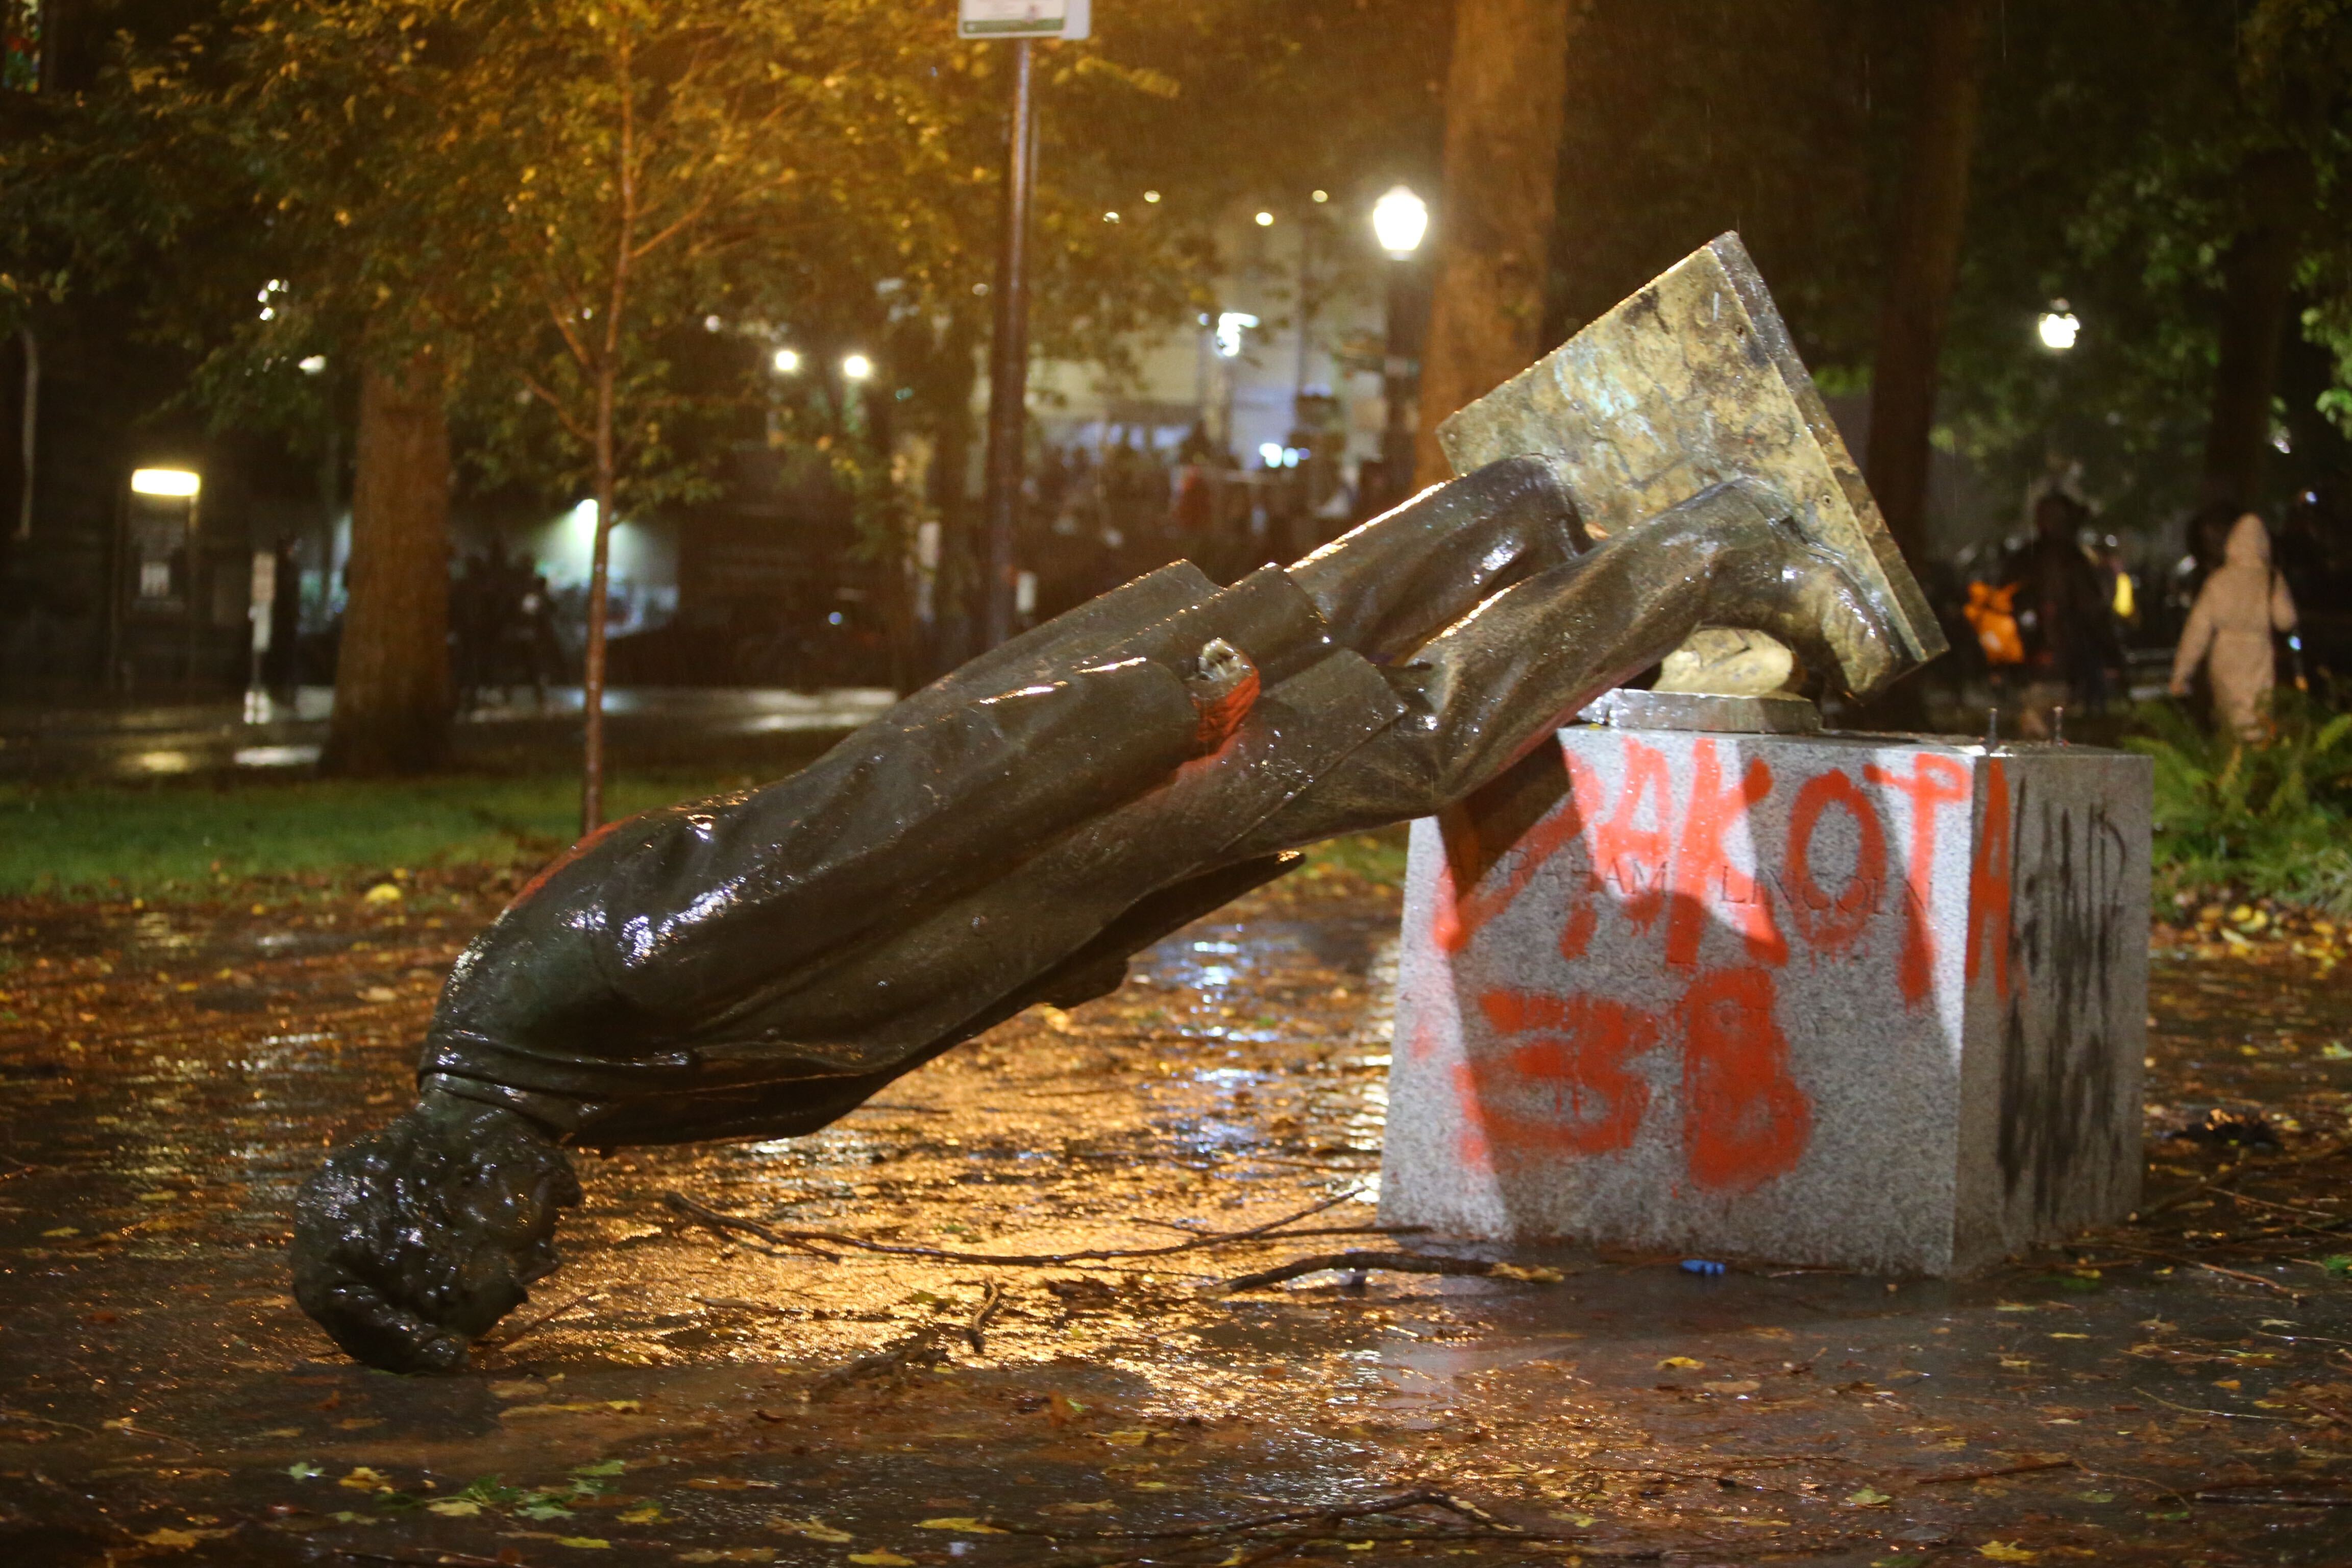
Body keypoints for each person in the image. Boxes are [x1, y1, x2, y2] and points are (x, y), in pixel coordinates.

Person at [291, 458, 1909, 1374]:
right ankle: (1517, 517)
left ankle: (1705, 547)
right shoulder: (539, 1078)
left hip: (1079, 791)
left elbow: (870, 829)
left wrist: (1137, 720)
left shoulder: (582, 1008)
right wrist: (1063, 944)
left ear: (446, 1188)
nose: (547, 1242)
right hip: (1069, 831)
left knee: (1403, 738)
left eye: (505, 1245)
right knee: (1304, 632)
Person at [2170, 509, 2297, 740]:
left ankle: (2233, 761)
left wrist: (2181, 674)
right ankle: (2255, 757)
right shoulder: (2270, 579)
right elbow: (2285, 620)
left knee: (2230, 713)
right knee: (2258, 711)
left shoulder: (2218, 581)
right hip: (2259, 653)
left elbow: (2197, 632)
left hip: (2225, 654)